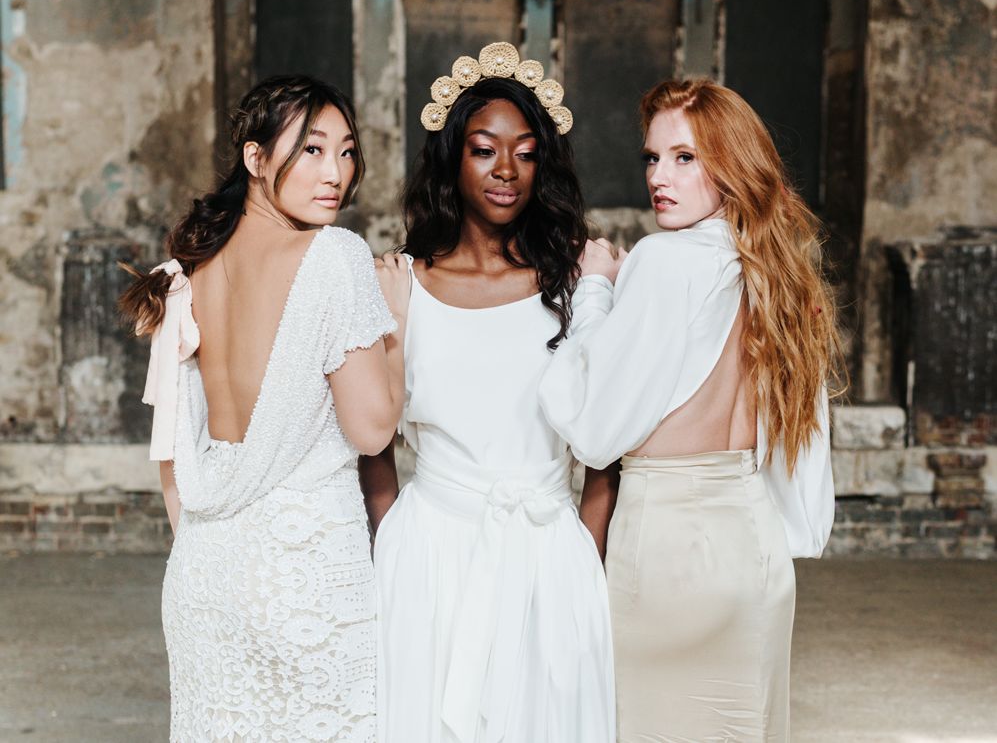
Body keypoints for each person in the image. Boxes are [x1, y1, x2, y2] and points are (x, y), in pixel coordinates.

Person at [538, 78, 840, 742]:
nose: (658, 177)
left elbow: (592, 427)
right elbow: (803, 455)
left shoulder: (664, 259)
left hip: (668, 547)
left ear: (731, 164)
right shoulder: (779, 272)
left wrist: (595, 292)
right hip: (754, 546)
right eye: (652, 157)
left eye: (684, 158)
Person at [119, 75, 405, 743]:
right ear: (254, 157)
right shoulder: (335, 256)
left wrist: (202, 555)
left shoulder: (187, 270)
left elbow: (171, 450)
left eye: (346, 151)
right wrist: (399, 324)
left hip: (202, 572)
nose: (335, 172)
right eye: (311, 150)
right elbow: (371, 429)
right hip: (303, 578)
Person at [361, 43, 615, 743]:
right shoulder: (401, 284)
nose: (506, 169)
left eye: (526, 154)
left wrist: (584, 556)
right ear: (453, 158)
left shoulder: (573, 286)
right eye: (484, 150)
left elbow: (607, 445)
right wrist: (392, 545)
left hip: (548, 555)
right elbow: (372, 438)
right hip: (428, 558)